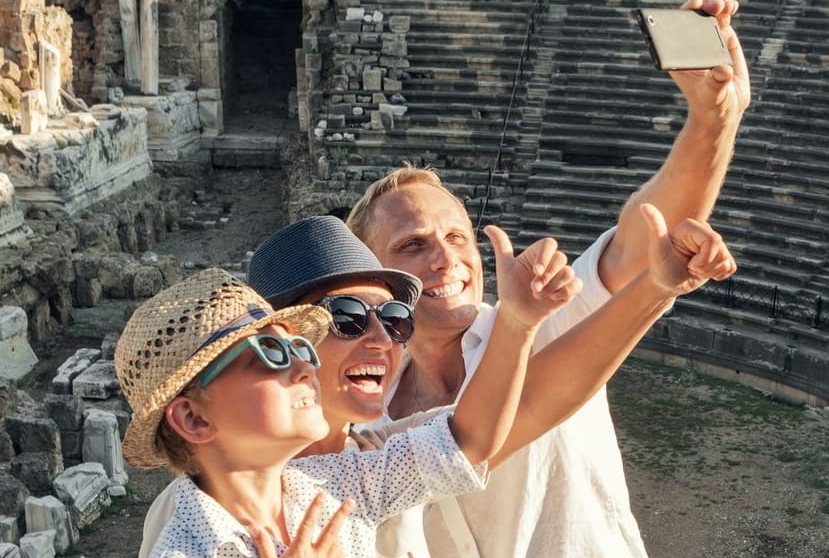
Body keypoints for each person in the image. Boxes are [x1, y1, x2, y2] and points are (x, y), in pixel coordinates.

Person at [344, 0, 750, 556]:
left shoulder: (545, 325)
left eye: (457, 237)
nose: (445, 258)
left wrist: (713, 122)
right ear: (371, 280)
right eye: (413, 245)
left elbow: (639, 244)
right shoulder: (363, 409)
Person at [136, 210, 736, 557]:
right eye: (344, 319)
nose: (381, 338)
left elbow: (501, 419)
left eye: (396, 319)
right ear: (192, 418)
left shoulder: (353, 468)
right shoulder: (187, 527)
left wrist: (652, 290)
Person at [118, 224, 577, 558]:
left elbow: (466, 442)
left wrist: (516, 322)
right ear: (194, 418)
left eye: (301, 346)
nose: (304, 364)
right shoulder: (183, 546)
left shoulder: (336, 482)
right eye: (272, 354)